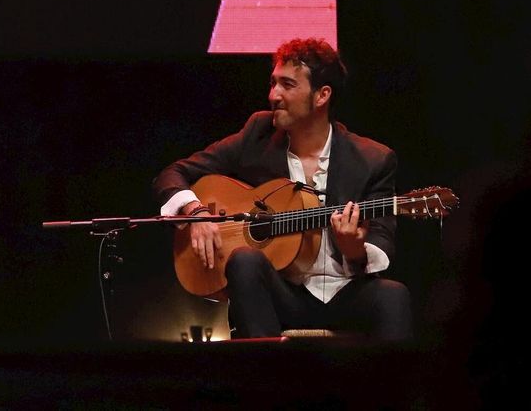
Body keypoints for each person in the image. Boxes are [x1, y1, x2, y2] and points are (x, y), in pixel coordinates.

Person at [153, 38, 414, 339]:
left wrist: (354, 250)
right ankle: (267, 377)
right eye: (273, 83)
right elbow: (172, 174)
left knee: (394, 296)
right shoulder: (258, 134)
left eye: (287, 85)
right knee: (244, 260)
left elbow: (382, 244)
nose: (273, 95)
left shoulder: (374, 159)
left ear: (321, 96)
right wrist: (196, 212)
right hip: (282, 295)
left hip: (346, 294)